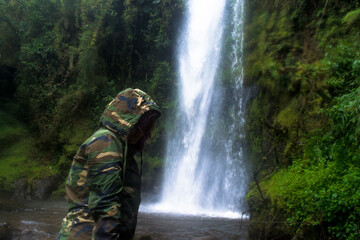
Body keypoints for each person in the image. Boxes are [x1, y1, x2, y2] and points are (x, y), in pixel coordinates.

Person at [57, 88, 161, 240]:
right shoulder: (106, 142)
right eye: (143, 124)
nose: (145, 132)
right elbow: (104, 206)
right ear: (128, 119)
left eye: (148, 126)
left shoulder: (123, 149)